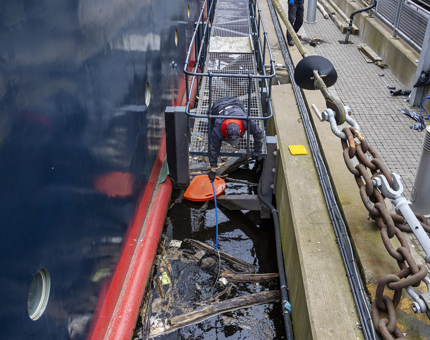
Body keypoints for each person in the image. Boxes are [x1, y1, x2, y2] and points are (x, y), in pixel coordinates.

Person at [207, 96, 263, 182]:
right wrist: (213, 170)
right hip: (219, 105)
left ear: (240, 130)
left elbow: (258, 132)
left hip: (236, 103)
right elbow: (214, 149)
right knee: (210, 122)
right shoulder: (218, 126)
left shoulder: (245, 120)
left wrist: (257, 150)